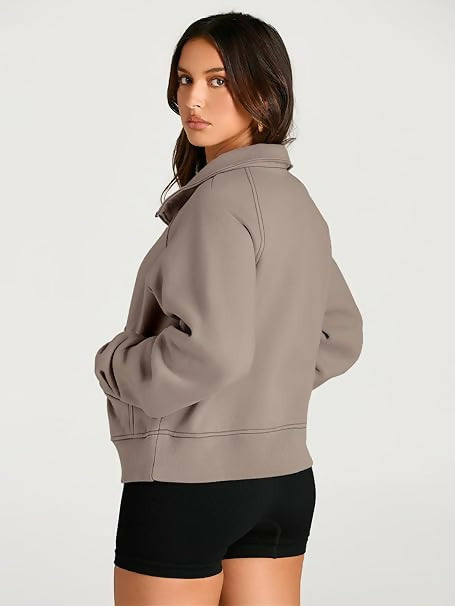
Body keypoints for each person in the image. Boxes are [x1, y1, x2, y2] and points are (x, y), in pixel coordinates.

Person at [94, 11, 363, 606]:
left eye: (218, 80)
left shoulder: (215, 204)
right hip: (283, 483)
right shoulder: (295, 200)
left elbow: (210, 352)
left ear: (265, 89)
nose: (194, 99)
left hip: (188, 486)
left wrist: (113, 364)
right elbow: (340, 335)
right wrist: (265, 387)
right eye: (185, 79)